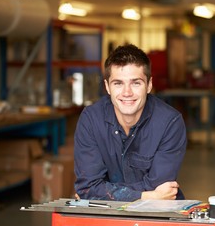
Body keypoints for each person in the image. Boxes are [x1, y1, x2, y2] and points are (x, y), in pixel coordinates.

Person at [74, 44, 187, 201]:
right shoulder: (91, 120)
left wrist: (98, 192)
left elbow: (162, 189)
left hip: (157, 214)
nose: (127, 92)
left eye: (136, 83)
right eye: (118, 83)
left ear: (149, 85)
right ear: (107, 87)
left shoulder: (170, 123)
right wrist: (146, 195)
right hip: (107, 215)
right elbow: (87, 187)